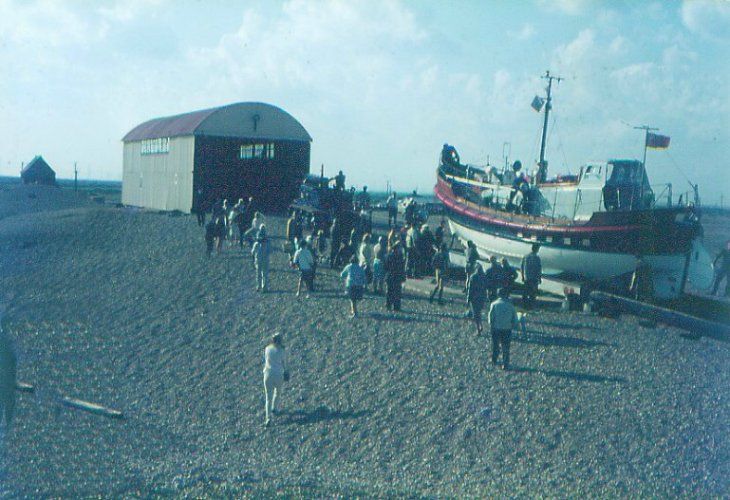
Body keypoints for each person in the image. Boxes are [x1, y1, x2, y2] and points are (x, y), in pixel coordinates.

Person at [488, 288, 518, 370]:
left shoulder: (494, 304)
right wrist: (513, 325)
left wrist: (491, 325)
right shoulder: (510, 305)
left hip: (496, 328)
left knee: (495, 345)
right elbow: (515, 318)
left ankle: (494, 359)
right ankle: (505, 363)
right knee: (506, 347)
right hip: (507, 328)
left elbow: (491, 318)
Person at [263, 333, 288, 427]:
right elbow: (284, 363)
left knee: (267, 397)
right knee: (277, 392)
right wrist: (286, 371)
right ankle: (275, 408)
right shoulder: (282, 351)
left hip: (267, 374)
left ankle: (268, 418)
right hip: (278, 374)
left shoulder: (267, 349)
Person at [467, 264, 489, 336]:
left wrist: (468, 298)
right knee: (479, 312)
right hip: (482, 297)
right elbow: (486, 287)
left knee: (475, 314)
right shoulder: (484, 276)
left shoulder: (473, 276)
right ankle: (481, 325)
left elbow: (470, 289)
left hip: (474, 297)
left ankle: (478, 329)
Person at [385, 242, 407, 311]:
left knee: (396, 292)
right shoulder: (393, 256)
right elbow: (386, 266)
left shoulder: (393, 256)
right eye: (399, 248)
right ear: (396, 248)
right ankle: (390, 305)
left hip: (396, 276)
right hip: (393, 275)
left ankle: (395, 306)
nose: (401, 249)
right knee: (391, 291)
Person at [521, 243, 542, 308]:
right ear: (536, 249)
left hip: (527, 277)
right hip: (534, 278)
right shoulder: (537, 258)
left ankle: (524, 305)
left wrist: (522, 276)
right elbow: (539, 269)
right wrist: (539, 278)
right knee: (533, 293)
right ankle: (531, 306)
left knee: (525, 292)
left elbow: (521, 267)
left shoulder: (525, 256)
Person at [251, 225, 270, 292]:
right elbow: (270, 251)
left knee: (258, 274)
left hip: (258, 259)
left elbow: (252, 252)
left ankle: (258, 287)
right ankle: (264, 287)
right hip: (265, 259)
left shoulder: (256, 243)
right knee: (265, 274)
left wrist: (253, 260)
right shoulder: (268, 243)